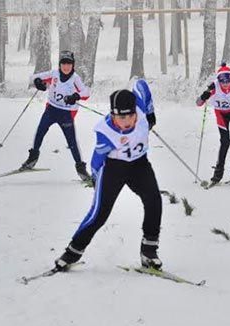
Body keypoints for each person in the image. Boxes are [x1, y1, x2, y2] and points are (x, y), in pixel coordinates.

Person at [53, 80, 163, 270]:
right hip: (114, 168)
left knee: (154, 201)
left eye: (130, 116)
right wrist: (96, 178)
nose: (126, 122)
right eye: (121, 118)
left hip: (139, 165)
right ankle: (72, 252)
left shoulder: (141, 110)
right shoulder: (105, 132)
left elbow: (141, 85)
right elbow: (97, 161)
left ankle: (149, 251)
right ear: (112, 115)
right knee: (99, 214)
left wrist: (151, 113)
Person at [21, 50, 91, 182]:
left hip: (66, 114)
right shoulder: (54, 74)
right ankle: (32, 159)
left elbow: (86, 92)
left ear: (73, 65)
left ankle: (81, 169)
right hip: (51, 110)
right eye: (64, 63)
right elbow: (34, 77)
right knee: (40, 131)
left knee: (72, 142)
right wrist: (38, 83)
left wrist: (76, 96)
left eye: (69, 64)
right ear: (60, 64)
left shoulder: (75, 78)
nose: (66, 66)